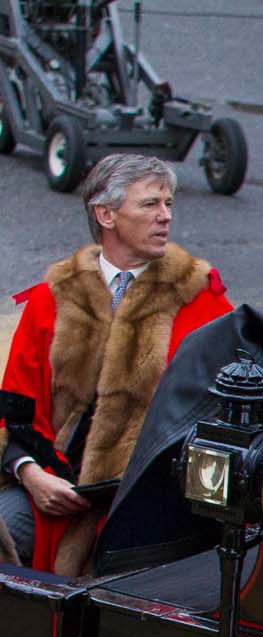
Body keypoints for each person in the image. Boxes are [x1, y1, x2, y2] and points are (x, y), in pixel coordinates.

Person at [0, 154, 232, 577]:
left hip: (145, 504)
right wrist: (31, 474)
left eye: (169, 205)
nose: (165, 217)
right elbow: (16, 409)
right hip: (49, 490)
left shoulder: (203, 303)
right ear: (106, 214)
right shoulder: (52, 298)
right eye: (150, 205)